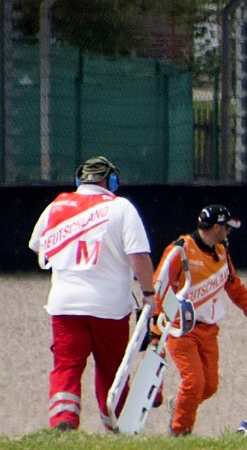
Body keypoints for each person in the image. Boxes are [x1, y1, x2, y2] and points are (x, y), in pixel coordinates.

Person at [28, 156, 157, 431]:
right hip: (110, 306)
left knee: (66, 366)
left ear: (79, 180)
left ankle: (63, 420)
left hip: (65, 305)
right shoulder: (121, 207)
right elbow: (139, 256)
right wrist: (149, 293)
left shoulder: (57, 205)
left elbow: (38, 245)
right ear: (110, 181)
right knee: (112, 369)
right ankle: (117, 425)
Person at [153, 204, 247, 436]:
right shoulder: (180, 250)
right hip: (180, 329)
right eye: (226, 227)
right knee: (194, 382)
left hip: (208, 330)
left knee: (209, 386)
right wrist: (155, 322)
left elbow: (233, 285)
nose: (228, 232)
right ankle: (179, 432)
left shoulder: (222, 253)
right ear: (216, 227)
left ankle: (180, 407)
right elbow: (158, 286)